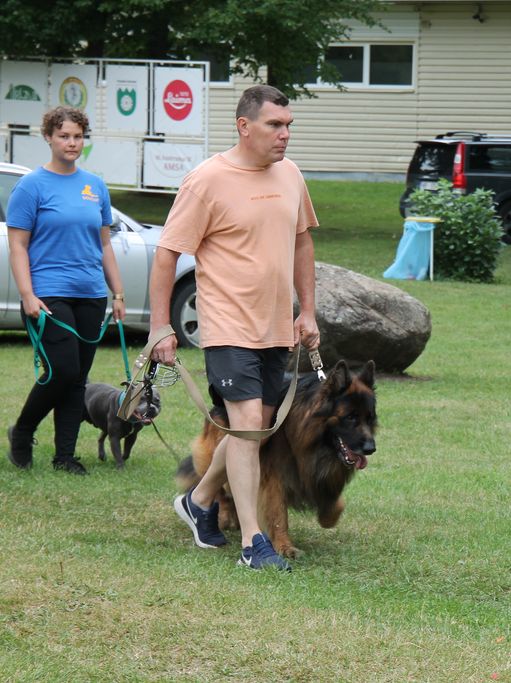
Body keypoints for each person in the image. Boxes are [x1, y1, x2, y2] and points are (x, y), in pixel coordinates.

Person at [148, 84, 319, 571]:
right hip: (226, 327)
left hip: (275, 327)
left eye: (288, 126)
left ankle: (199, 499)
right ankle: (252, 544)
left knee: (257, 430)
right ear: (244, 126)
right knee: (245, 429)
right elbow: (167, 254)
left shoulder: (291, 175)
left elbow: (302, 243)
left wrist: (307, 311)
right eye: (274, 125)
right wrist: (160, 325)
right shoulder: (207, 180)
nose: (285, 135)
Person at [6, 106, 126, 475]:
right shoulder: (31, 186)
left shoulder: (95, 186)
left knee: (77, 379)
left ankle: (65, 457)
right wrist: (27, 294)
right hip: (47, 294)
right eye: (63, 136)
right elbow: (18, 246)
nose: (71, 143)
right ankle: (22, 431)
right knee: (62, 369)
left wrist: (118, 293)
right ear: (48, 137)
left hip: (91, 293)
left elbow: (104, 244)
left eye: (77, 136)